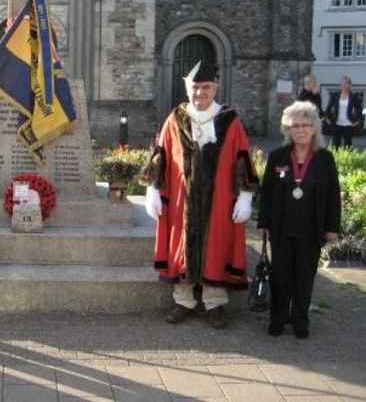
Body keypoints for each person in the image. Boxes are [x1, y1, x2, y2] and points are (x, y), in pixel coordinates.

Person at [143, 61, 257, 329]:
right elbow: (161, 155)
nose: (200, 94)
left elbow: (243, 158)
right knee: (182, 247)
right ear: (188, 88)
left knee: (216, 246)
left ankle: (214, 302)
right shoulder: (176, 118)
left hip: (219, 201)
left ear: (215, 88)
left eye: (206, 88)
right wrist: (152, 189)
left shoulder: (230, 120)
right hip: (182, 200)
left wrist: (245, 196)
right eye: (195, 88)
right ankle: (184, 301)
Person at [258, 101, 340, 339]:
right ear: (288, 129)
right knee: (280, 275)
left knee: (304, 276)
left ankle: (300, 318)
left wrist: (332, 228)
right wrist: (263, 222)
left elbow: (334, 195)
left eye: (306, 125)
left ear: (314, 128)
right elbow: (268, 193)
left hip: (311, 229)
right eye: (295, 125)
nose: (301, 130)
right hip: (281, 227)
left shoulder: (325, 159)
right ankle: (278, 317)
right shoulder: (277, 157)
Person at [324, 76, 363, 149]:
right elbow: (328, 108)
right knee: (335, 145)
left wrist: (357, 120)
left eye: (346, 83)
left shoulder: (353, 96)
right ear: (340, 85)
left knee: (348, 146)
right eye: (342, 83)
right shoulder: (335, 96)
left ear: (350, 85)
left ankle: (347, 160)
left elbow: (359, 109)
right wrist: (327, 118)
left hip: (348, 124)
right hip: (337, 123)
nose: (344, 85)